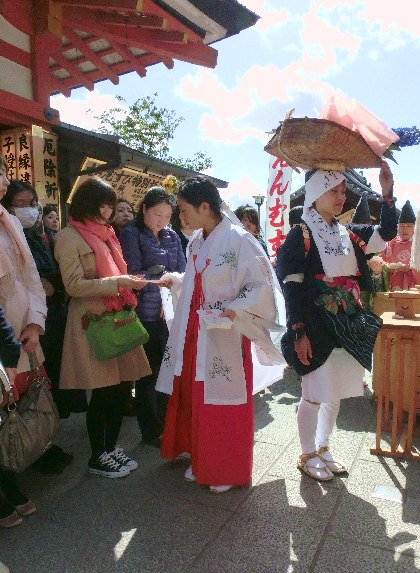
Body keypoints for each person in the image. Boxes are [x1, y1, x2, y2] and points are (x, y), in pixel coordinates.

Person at [156, 176, 284, 493]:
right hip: (196, 330)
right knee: (195, 393)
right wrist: (177, 281)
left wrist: (235, 308)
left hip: (225, 331)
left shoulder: (240, 239)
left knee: (223, 399)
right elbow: (199, 282)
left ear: (204, 207)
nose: (181, 218)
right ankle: (201, 459)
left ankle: (226, 467)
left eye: (184, 210)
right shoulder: (199, 240)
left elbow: (260, 285)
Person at [276, 162, 397, 481]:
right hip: (315, 327)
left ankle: (324, 446)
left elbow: (386, 234)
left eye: (343, 190)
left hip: (348, 325)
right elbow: (292, 289)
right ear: (316, 192)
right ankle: (306, 453)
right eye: (334, 190)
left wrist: (387, 195)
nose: (341, 196)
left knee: (336, 392)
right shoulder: (300, 235)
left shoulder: (348, 234)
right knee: (314, 392)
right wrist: (298, 331)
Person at [54, 177, 151, 478]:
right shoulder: (68, 236)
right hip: (93, 322)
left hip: (118, 317)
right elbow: (72, 285)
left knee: (123, 387)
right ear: (87, 204)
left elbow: (116, 273)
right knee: (103, 390)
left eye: (111, 206)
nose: (108, 212)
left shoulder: (108, 234)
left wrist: (128, 282)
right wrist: (118, 283)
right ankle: (97, 455)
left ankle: (111, 448)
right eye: (103, 206)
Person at [1, 180, 87, 424]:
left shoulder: (26, 230)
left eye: (31, 203)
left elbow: (33, 277)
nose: (28, 209)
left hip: (38, 318)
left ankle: (38, 440)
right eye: (20, 204)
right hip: (12, 323)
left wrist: (36, 319)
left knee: (36, 387)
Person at [0, 156, 47, 523]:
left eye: (2, 172)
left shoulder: (10, 220)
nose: (1, 180)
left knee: (12, 410)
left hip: (21, 331)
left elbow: (31, 276)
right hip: (2, 336)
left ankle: (10, 479)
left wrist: (35, 323)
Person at [119, 187, 186, 446]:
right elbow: (134, 273)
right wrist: (160, 282)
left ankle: (167, 422)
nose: (162, 220)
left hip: (169, 311)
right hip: (144, 310)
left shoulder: (171, 235)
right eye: (157, 213)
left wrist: (171, 288)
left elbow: (181, 269)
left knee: (168, 368)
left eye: (167, 216)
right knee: (149, 372)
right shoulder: (132, 233)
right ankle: (150, 430)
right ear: (144, 209)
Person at [381, 200, 420, 290]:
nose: (404, 229)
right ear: (397, 227)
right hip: (393, 286)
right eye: (402, 226)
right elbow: (380, 262)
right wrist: (392, 266)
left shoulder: (418, 244)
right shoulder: (390, 243)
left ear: (415, 228)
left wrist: (412, 267)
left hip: (415, 287)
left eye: (409, 226)